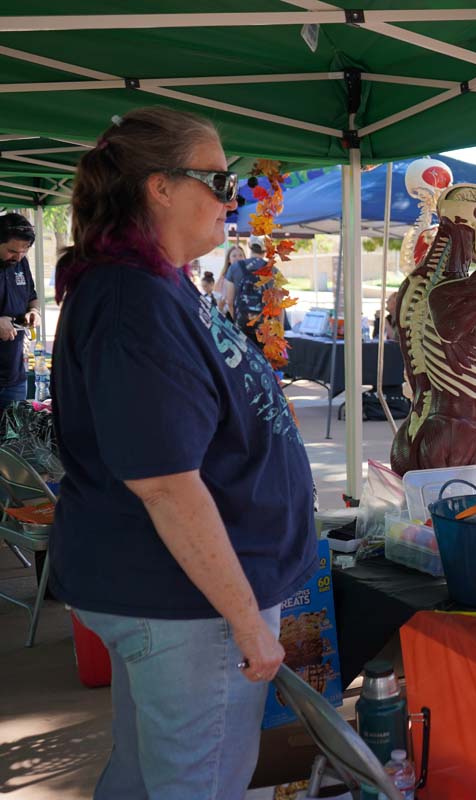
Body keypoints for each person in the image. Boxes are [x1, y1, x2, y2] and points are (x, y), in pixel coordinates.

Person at [48, 106, 316, 799]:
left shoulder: (156, 283)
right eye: (220, 180)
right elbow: (164, 484)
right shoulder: (130, 298)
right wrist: (245, 621)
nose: (234, 198)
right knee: (198, 786)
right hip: (187, 605)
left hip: (179, 599)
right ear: (159, 188)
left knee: (146, 778)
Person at [0, 212, 40, 407]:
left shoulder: (21, 262)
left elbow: (32, 297)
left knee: (16, 437)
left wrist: (34, 312)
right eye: (12, 251)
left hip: (15, 376)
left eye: (24, 251)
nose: (18, 256)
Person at [226, 236, 269, 345]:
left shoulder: (234, 268)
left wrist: (237, 321)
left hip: (242, 326)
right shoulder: (272, 268)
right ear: (266, 249)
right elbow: (278, 305)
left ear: (249, 247)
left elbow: (229, 301)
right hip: (265, 328)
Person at [216, 242, 245, 318]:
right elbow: (221, 305)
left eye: (240, 255)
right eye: (234, 256)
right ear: (229, 259)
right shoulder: (222, 279)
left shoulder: (250, 276)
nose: (238, 258)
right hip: (229, 317)